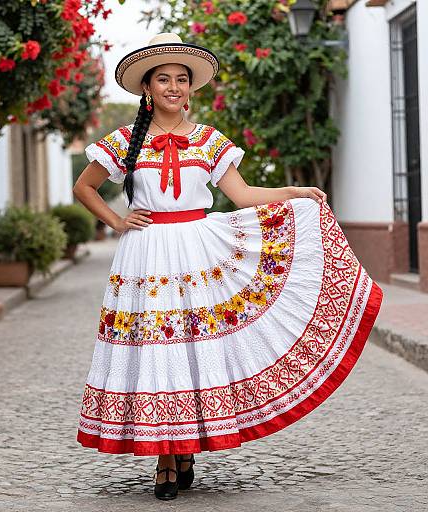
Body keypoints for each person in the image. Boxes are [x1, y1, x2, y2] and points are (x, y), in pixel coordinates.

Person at [72, 33, 384, 501]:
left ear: (191, 88)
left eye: (182, 80)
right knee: (157, 348)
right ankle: (165, 459)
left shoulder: (208, 140)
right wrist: (117, 221)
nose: (173, 87)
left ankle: (184, 446)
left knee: (192, 346)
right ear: (148, 89)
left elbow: (242, 196)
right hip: (146, 252)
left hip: (199, 250)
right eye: (164, 80)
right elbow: (85, 187)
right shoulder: (123, 142)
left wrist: (294, 194)